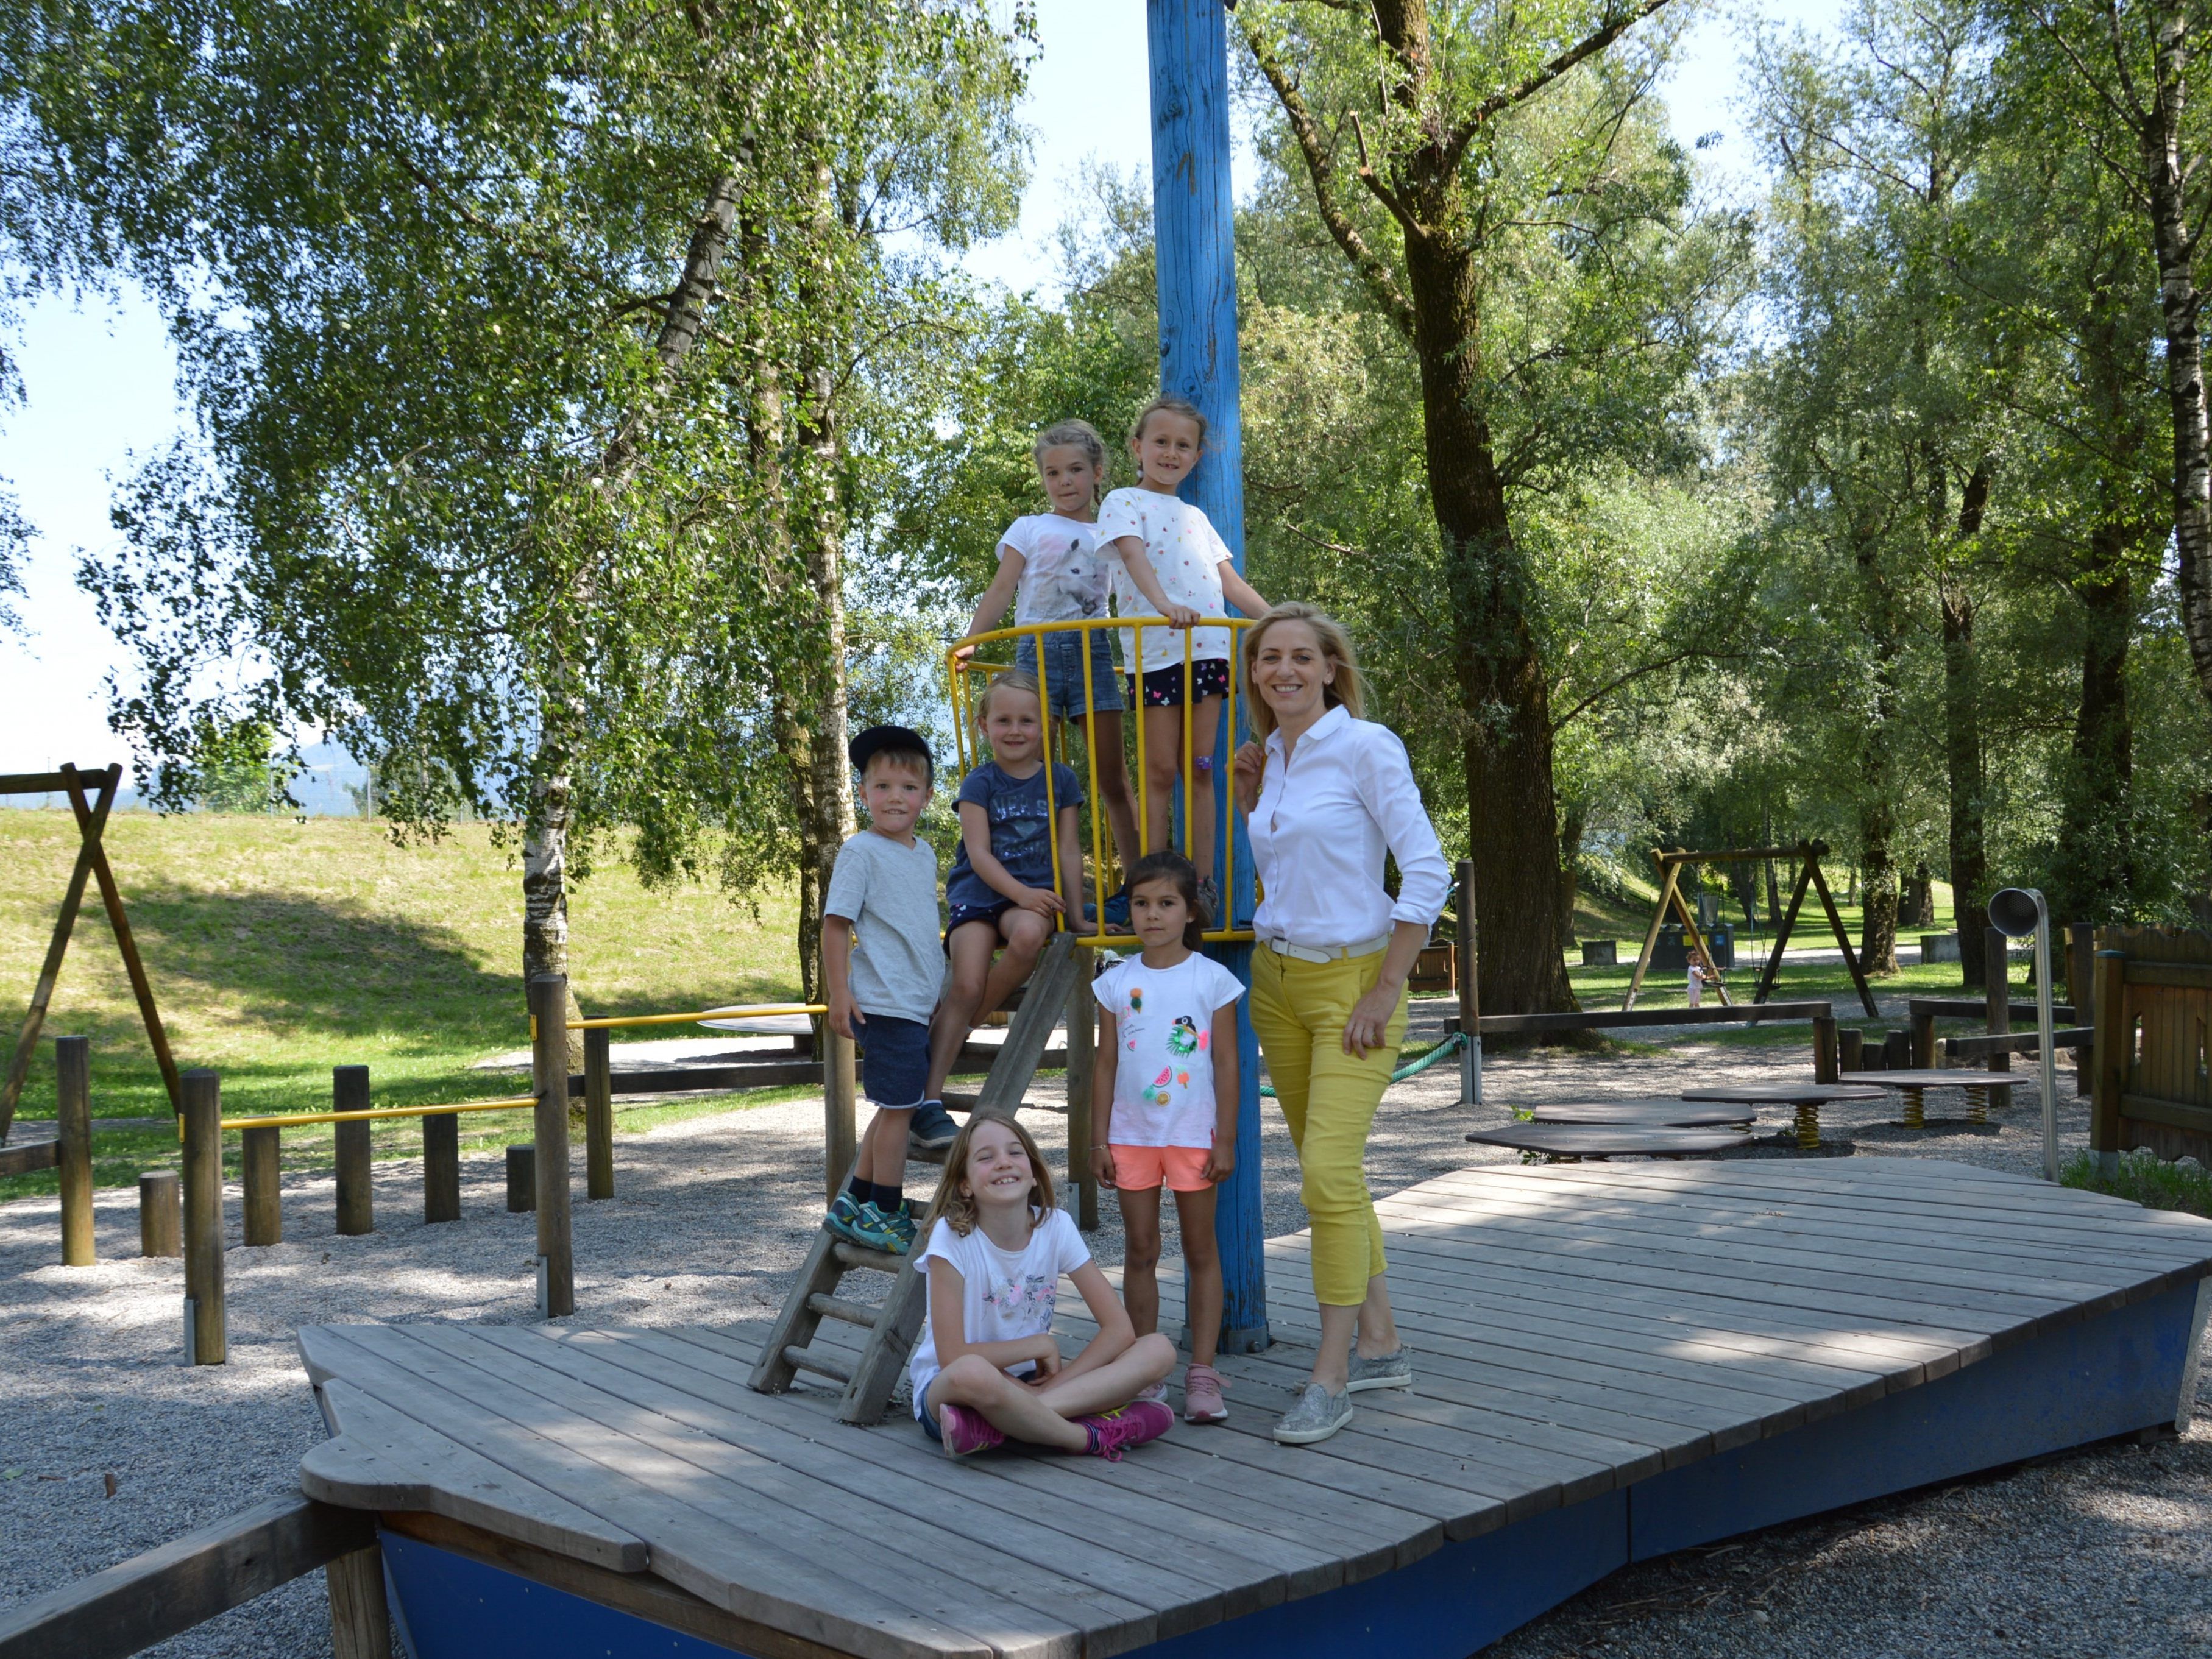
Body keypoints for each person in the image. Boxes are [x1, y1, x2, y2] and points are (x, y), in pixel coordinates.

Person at [1232, 602, 1448, 1446]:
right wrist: (1254, 800)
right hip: (1277, 983)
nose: (1281, 670)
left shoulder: (1365, 744)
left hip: (1355, 981)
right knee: (1337, 1174)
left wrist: (1386, 986)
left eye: (1298, 657)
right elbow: (1291, 872)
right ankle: (1382, 1340)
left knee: (1324, 1175)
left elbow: (1425, 869)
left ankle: (1329, 1377)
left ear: (1329, 668)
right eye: (1266, 658)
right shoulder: (1272, 758)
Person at [908, 1111, 1177, 1458]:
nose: (1004, 1163)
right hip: (958, 1389)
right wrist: (1037, 1345)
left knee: (1158, 1349)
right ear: (965, 1184)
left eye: (1015, 1152)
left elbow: (1119, 1330)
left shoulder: (1056, 1226)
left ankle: (1003, 1427)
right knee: (971, 1373)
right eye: (986, 1157)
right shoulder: (952, 1235)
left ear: (1033, 1173)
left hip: (1031, 1386)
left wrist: (1047, 1392)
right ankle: (1087, 1437)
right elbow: (952, 1356)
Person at [958, 419, 1140, 927]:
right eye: (1053, 472)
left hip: (1092, 650)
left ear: (1098, 472)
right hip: (1036, 650)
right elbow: (1002, 589)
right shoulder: (1029, 527)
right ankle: (1030, 883)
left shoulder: (1111, 530)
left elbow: (1135, 584)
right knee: (1031, 776)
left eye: (1076, 470)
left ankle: (1138, 881)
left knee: (1112, 775)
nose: (1065, 482)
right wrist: (974, 635)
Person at [1097, 396, 1269, 919]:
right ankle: (1149, 882)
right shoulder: (1124, 501)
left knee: (1200, 767)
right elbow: (1133, 557)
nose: (1171, 452)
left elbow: (1229, 581)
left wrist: (1280, 619)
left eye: (1183, 446)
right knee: (1159, 770)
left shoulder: (1195, 515)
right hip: (1157, 651)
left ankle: (1201, 882)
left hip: (1208, 649)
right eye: (1162, 442)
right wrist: (1165, 605)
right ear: (1138, 447)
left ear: (1195, 458)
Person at [1090, 850, 1242, 1423]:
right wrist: (1097, 1141)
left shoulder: (1213, 980)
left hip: (1193, 1136)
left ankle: (1202, 1373)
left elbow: (1228, 1064)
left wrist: (1224, 1137)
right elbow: (1105, 1066)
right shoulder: (1115, 982)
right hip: (1130, 1137)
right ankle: (1145, 1369)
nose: (1152, 915)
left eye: (1166, 903)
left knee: (1201, 1250)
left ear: (1189, 911)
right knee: (1141, 1249)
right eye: (1141, 903)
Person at [918, 671, 1085, 1115]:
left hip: (1026, 901)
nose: (1015, 730)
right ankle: (926, 1097)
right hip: (978, 891)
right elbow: (979, 854)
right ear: (984, 725)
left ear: (1045, 726)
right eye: (1004, 720)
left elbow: (1069, 849)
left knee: (1031, 936)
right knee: (967, 982)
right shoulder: (980, 782)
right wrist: (1024, 893)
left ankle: (962, 1025)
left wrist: (1078, 913)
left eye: (1027, 721)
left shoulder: (1061, 781)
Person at [821, 724, 945, 1255]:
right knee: (900, 1112)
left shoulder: (924, 853)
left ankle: (856, 1200)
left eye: (909, 788)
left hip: (914, 1002)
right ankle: (885, 1210)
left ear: (928, 796)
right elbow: (834, 924)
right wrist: (838, 992)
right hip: (887, 1000)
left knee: (892, 1106)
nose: (896, 797)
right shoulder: (861, 851)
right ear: (863, 793)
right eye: (883, 787)